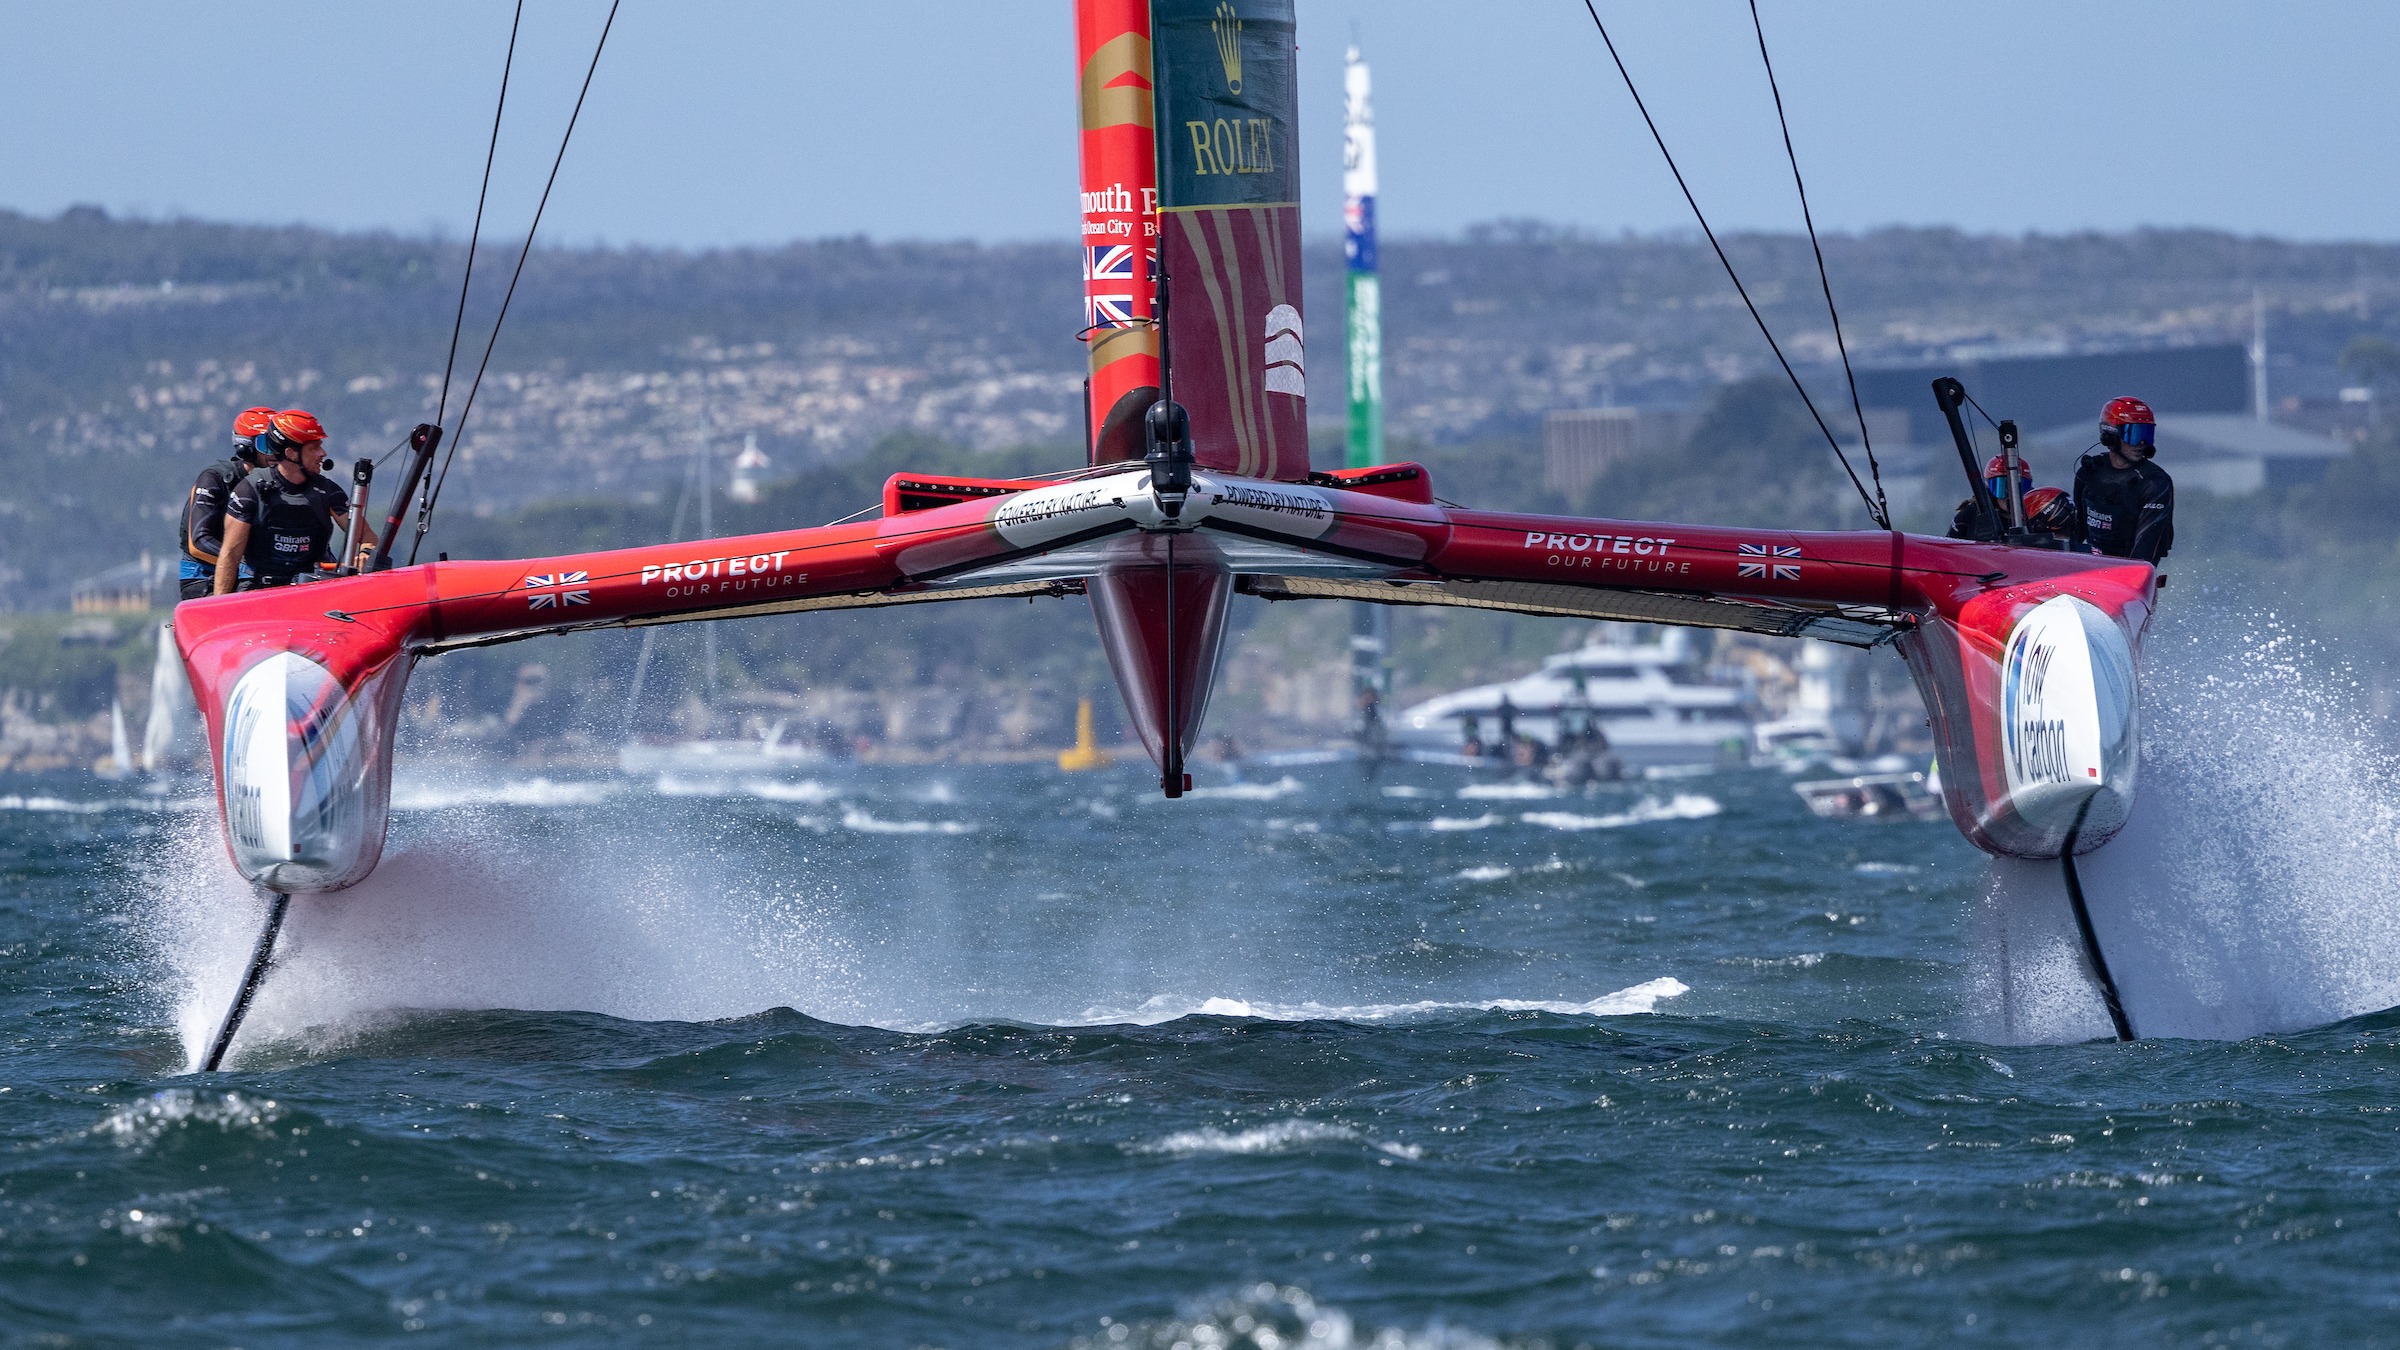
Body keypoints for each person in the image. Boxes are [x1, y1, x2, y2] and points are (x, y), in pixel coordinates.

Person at [214, 409, 373, 594]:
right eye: (314, 448)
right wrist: (218, 604)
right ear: (290, 453)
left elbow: (368, 537)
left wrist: (366, 553)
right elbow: (230, 556)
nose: (323, 453)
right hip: (259, 592)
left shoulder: (328, 491)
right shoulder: (248, 490)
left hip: (310, 590)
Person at [175, 406, 275, 600]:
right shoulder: (215, 479)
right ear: (245, 448)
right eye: (267, 445)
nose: (275, 453)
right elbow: (199, 542)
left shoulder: (277, 484)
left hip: (254, 576)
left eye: (279, 444)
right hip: (203, 578)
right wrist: (246, 563)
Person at [2072, 396, 2174, 563]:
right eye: (2134, 434)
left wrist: (2128, 577)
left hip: (2129, 573)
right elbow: (2077, 532)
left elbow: (2146, 546)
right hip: (2089, 569)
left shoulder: (2154, 482)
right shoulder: (2089, 471)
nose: (2142, 443)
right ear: (2110, 435)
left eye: (2147, 435)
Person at [1947, 454, 2033, 540]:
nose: (2011, 496)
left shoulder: (2037, 513)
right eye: (2002, 488)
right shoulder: (1971, 513)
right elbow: (1949, 546)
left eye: (2019, 488)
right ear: (1989, 488)